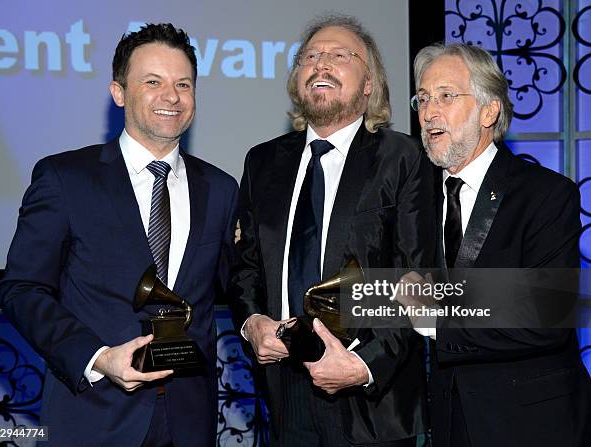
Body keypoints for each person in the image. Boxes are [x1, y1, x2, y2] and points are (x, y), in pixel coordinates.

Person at [0, 23, 237, 447]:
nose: (172, 96)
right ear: (119, 92)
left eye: (183, 83)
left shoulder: (221, 189)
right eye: (153, 82)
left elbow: (238, 284)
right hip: (92, 417)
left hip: (191, 422)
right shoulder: (65, 178)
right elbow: (22, 288)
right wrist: (98, 358)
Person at [229, 15, 435, 446]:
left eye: (340, 55)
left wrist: (364, 366)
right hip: (285, 393)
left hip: (373, 398)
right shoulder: (261, 162)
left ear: (368, 83)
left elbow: (418, 277)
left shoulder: (403, 158)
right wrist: (252, 323)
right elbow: (246, 265)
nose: (321, 64)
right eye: (310, 57)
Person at [399, 42, 590, 446]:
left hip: (533, 425)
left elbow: (548, 313)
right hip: (450, 422)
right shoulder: (417, 200)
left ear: (489, 111)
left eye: (446, 96)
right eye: (423, 99)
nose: (429, 112)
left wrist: (438, 322)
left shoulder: (546, 195)